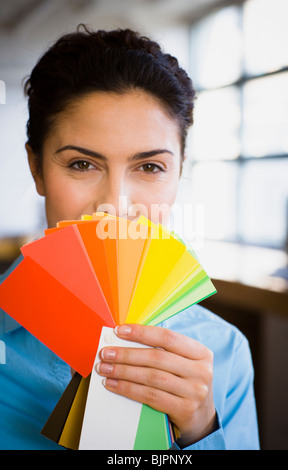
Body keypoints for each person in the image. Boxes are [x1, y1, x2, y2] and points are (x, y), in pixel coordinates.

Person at [0, 25, 259, 450]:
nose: (116, 207)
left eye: (150, 167)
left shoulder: (224, 351)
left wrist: (200, 432)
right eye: (82, 164)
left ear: (179, 171)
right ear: (36, 168)